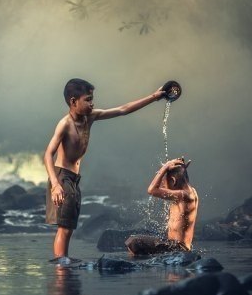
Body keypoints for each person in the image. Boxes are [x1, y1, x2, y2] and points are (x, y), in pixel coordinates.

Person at [45, 78, 165, 260]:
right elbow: (48, 154)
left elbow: (123, 109)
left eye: (92, 99)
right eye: (88, 99)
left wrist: (154, 97)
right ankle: (61, 269)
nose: (92, 103)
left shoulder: (90, 117)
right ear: (73, 101)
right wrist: (55, 185)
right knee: (65, 228)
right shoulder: (65, 124)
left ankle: (63, 266)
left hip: (73, 178)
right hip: (62, 178)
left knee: (69, 227)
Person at [125, 157, 198, 255]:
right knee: (135, 241)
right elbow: (180, 178)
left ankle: (135, 266)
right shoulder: (190, 193)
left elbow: (152, 190)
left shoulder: (184, 195)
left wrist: (165, 167)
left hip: (178, 248)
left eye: (165, 184)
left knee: (133, 241)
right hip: (173, 245)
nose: (163, 187)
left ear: (173, 181)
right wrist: (181, 170)